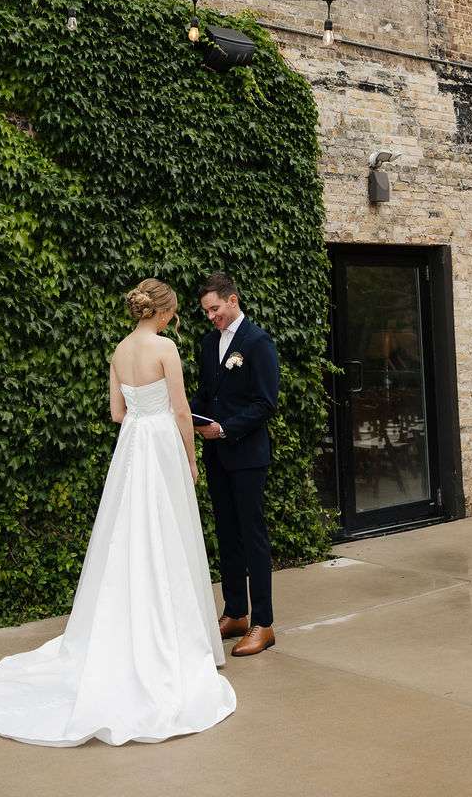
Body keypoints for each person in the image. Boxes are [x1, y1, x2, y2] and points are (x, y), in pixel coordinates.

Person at [0, 278, 235, 746]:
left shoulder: (118, 350)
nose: (175, 319)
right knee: (168, 535)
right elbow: (180, 411)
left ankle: (125, 630)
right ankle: (174, 641)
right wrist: (191, 460)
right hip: (160, 446)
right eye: (173, 312)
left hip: (132, 444)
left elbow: (117, 413)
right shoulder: (166, 348)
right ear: (163, 312)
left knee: (127, 535)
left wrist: (139, 413)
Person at [192, 271, 280, 657]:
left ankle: (264, 622)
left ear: (233, 300)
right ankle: (236, 613)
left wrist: (226, 429)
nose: (212, 317)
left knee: (252, 536)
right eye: (206, 312)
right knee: (227, 534)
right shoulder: (209, 343)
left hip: (246, 455)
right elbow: (205, 394)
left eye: (215, 309)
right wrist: (187, 416)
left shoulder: (258, 343)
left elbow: (266, 403)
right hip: (216, 455)